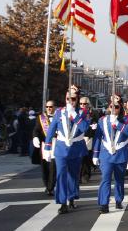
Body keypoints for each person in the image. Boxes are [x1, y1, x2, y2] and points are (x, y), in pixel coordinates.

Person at [43, 85, 90, 214]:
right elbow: (52, 129)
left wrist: (74, 115)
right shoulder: (59, 111)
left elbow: (85, 128)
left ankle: (72, 198)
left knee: (73, 176)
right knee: (61, 175)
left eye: (73, 99)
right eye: (68, 98)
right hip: (61, 147)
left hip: (76, 148)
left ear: (77, 99)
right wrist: (47, 147)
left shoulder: (83, 113)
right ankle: (62, 203)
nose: (70, 101)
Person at [93, 94, 128, 214]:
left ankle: (118, 200)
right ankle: (103, 204)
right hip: (106, 154)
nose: (114, 109)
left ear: (120, 107)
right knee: (105, 178)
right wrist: (95, 154)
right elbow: (97, 137)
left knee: (119, 179)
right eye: (112, 106)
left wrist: (118, 123)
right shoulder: (102, 120)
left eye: (116, 107)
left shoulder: (126, 120)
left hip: (121, 154)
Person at [32, 100, 57, 196]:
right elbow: (36, 130)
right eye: (47, 107)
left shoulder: (59, 117)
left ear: (54, 107)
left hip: (55, 144)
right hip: (44, 146)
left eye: (51, 106)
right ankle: (47, 186)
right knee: (45, 168)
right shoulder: (40, 118)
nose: (49, 108)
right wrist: (35, 137)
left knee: (53, 168)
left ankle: (51, 187)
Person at [79, 97, 98, 184]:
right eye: (81, 104)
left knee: (86, 158)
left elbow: (95, 125)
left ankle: (85, 175)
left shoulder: (93, 113)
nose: (82, 105)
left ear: (88, 104)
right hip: (78, 138)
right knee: (78, 159)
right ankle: (78, 175)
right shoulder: (76, 113)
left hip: (88, 138)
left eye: (84, 104)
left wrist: (93, 128)